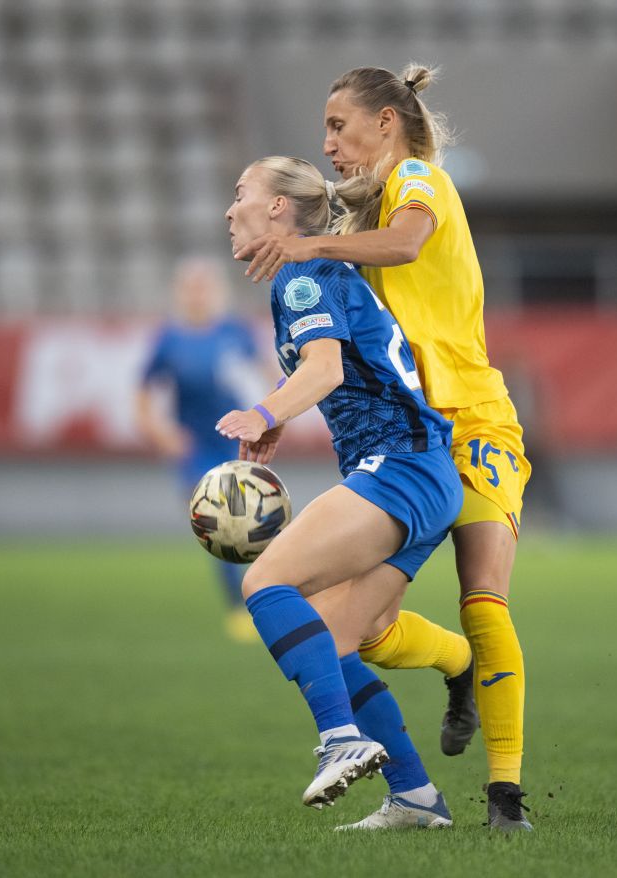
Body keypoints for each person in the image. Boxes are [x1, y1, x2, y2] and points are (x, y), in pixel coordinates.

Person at [237, 64, 534, 831]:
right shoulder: (352, 240)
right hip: (418, 437)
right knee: (353, 633)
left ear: (386, 122)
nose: (328, 141)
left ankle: (506, 798)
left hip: (470, 419)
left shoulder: (416, 178)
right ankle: (418, 787)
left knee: (483, 596)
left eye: (339, 125)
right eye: (325, 129)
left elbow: (405, 246)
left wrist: (309, 250)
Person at [220, 155, 463, 829]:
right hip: (423, 475)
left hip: (400, 468)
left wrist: (265, 413)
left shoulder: (301, 274)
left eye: (241, 193)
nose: (228, 208)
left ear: (277, 209)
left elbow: (324, 368)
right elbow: (339, 369)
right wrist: (277, 414)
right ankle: (415, 796)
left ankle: (340, 738)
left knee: (265, 584)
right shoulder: (317, 272)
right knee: (333, 637)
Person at [134, 257, 264, 642]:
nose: (198, 294)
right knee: (221, 523)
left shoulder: (235, 332)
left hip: (235, 441)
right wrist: (161, 433)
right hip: (197, 449)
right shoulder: (169, 339)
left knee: (254, 523)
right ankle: (237, 607)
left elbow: (268, 376)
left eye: (204, 286)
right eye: (191, 287)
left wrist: (268, 416)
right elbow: (142, 392)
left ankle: (265, 595)